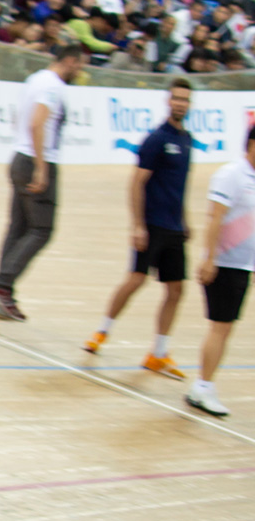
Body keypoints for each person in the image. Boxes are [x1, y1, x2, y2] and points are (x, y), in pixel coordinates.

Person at [86, 78, 194, 379]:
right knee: (135, 280)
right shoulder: (157, 139)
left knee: (176, 289)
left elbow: (179, 186)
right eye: (176, 98)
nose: (180, 104)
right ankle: (101, 332)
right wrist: (137, 224)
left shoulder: (187, 140)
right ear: (168, 101)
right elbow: (136, 182)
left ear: (190, 104)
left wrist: (185, 219)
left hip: (174, 228)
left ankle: (158, 354)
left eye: (185, 99)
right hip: (152, 226)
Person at [0, 41, 88, 321]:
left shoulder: (35, 79)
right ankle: (2, 284)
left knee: (18, 227)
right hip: (36, 161)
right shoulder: (53, 87)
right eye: (80, 65)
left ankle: (2, 293)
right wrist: (41, 168)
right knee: (41, 229)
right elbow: (36, 123)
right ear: (70, 61)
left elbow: (21, 120)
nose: (80, 71)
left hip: (19, 158)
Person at [192, 132, 255, 418]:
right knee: (220, 326)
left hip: (243, 265)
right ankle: (203, 386)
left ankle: (203, 385)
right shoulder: (232, 175)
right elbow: (214, 217)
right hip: (225, 264)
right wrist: (209, 259)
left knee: (225, 327)